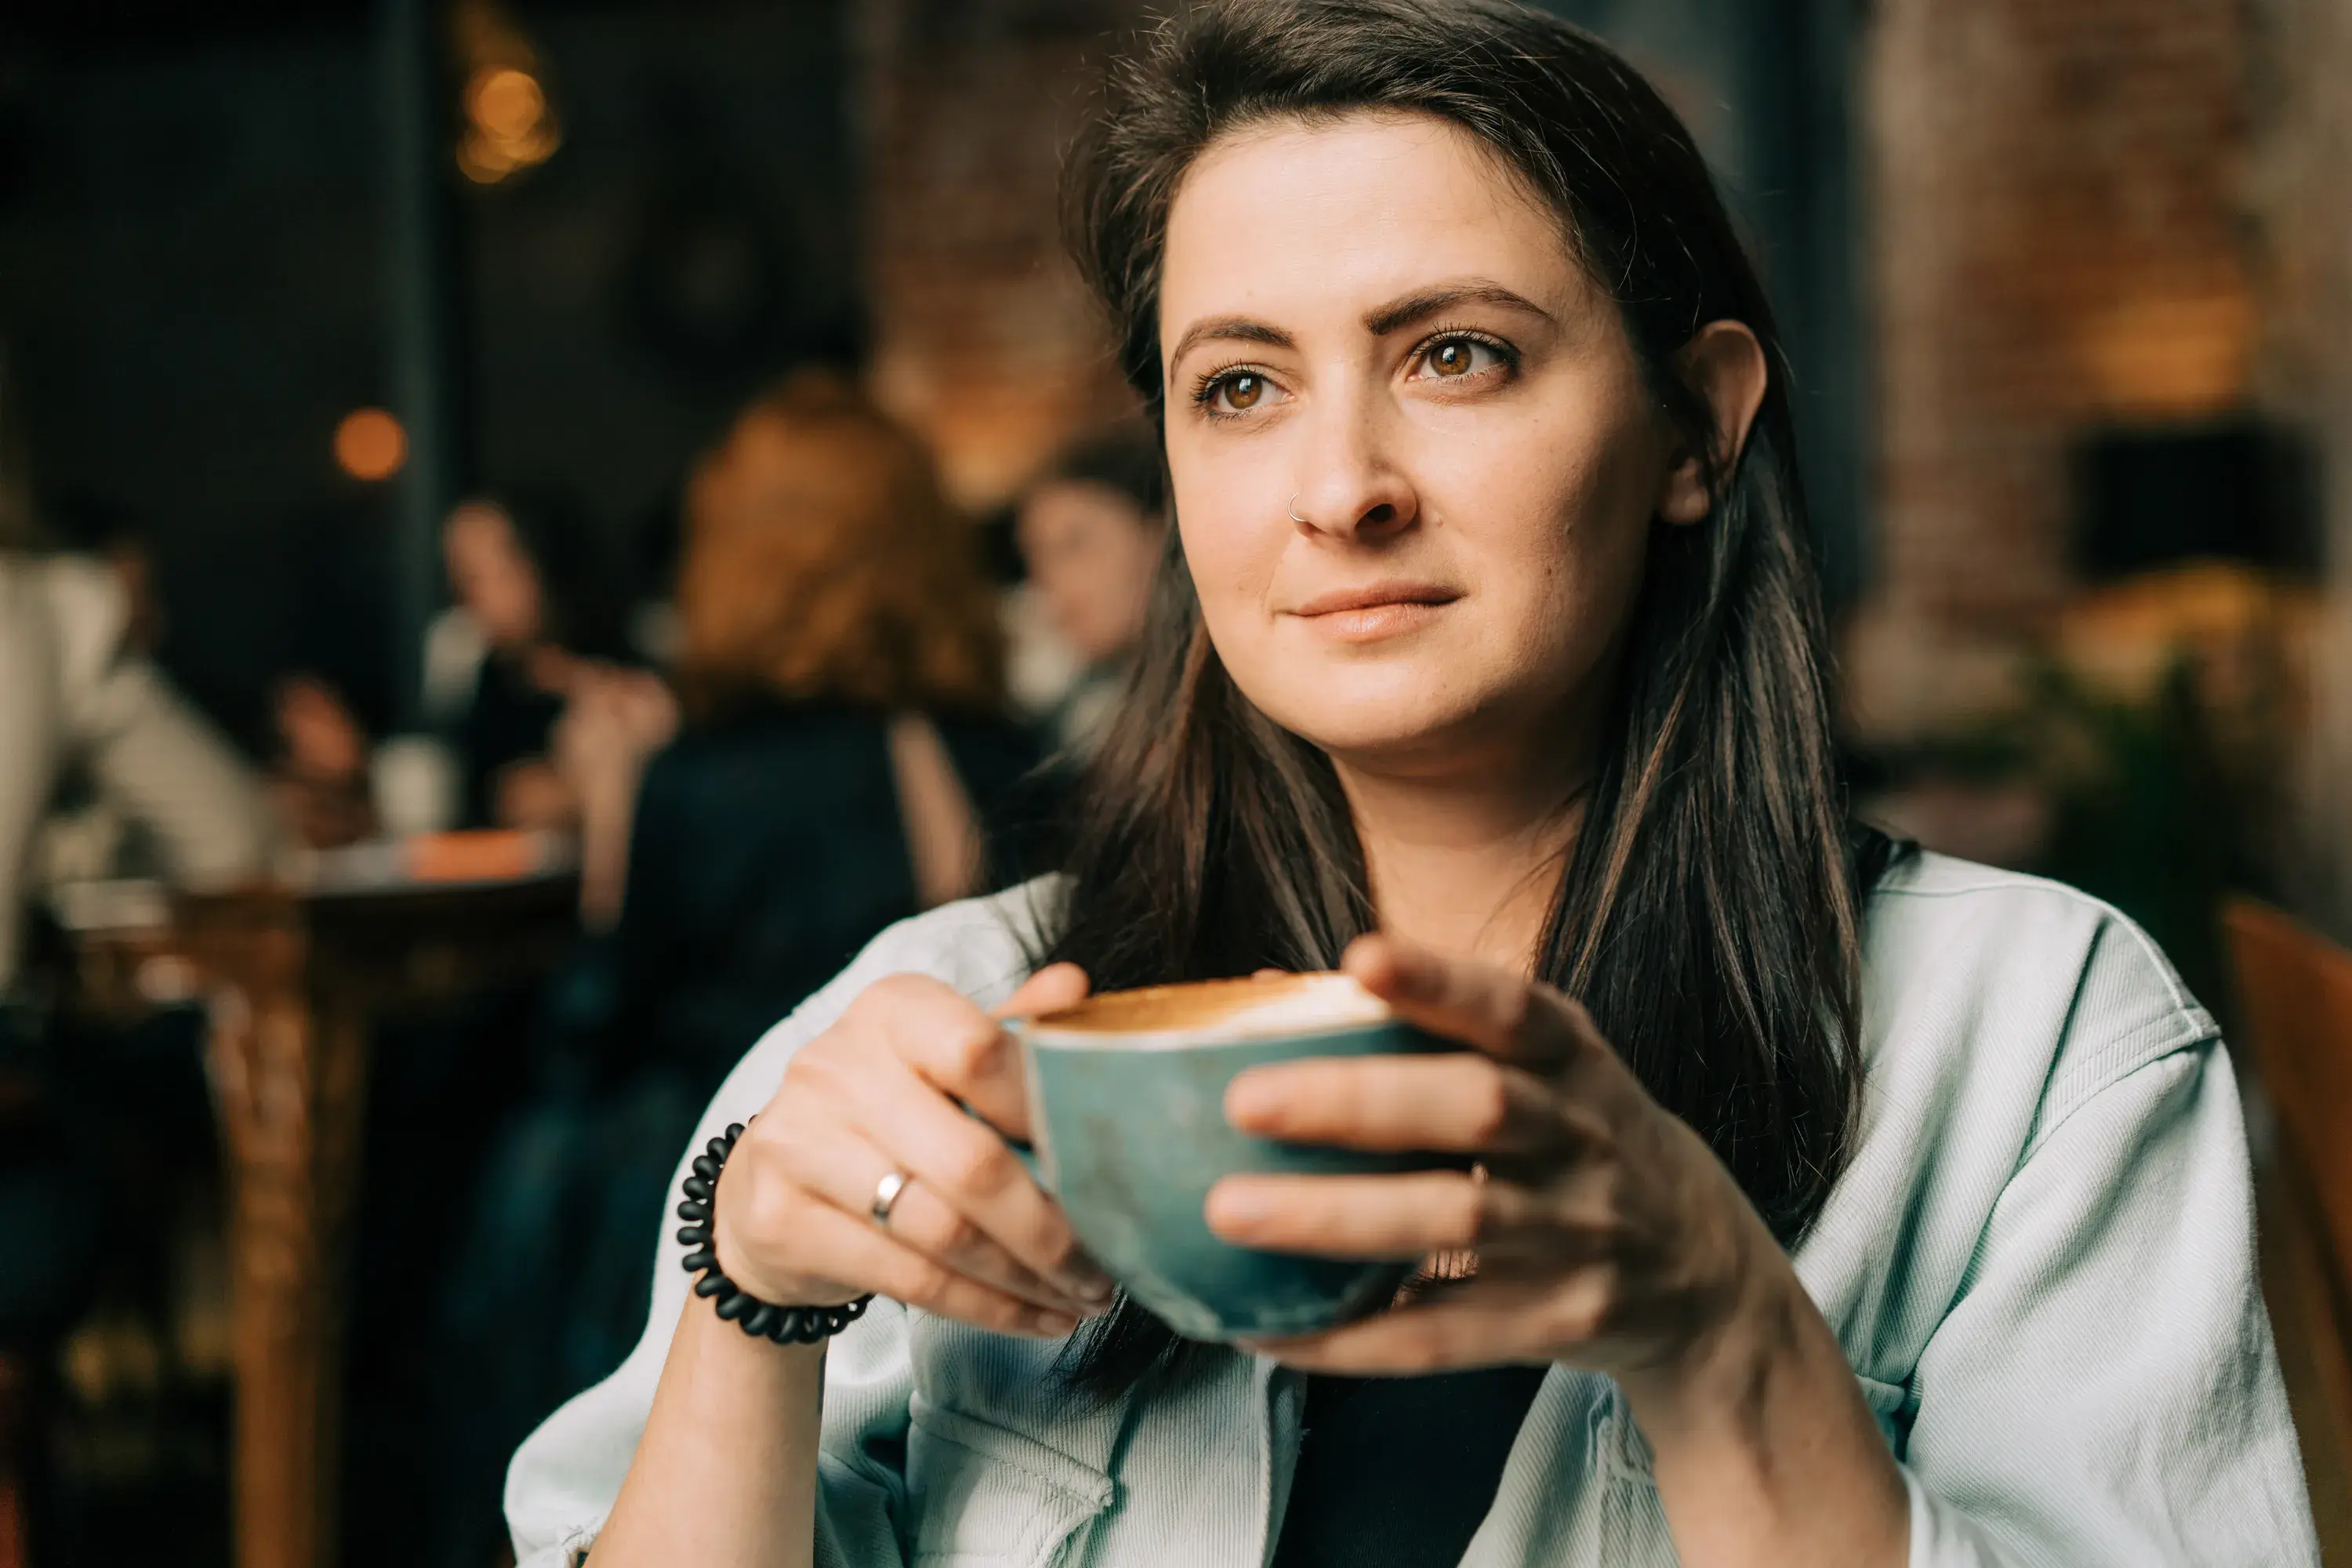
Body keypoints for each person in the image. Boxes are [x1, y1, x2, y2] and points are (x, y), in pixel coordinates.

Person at [506, 4, 2318, 1565]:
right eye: (1237, 387)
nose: (1337, 486)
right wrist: (747, 1299)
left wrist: (1716, 1324)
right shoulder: (960, 1025)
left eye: (1454, 355)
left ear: (1694, 425)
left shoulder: (2030, 1044)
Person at [437, 368, 1040, 1566]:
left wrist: (614, 836)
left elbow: (596, 1034)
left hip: (708, 1222)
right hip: (980, 1227)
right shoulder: (1013, 753)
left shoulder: (703, 779)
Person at [1011, 425, 1167, 754]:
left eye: (1075, 545)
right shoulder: (1072, 714)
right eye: (1036, 556)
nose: (1052, 580)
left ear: (1160, 537)